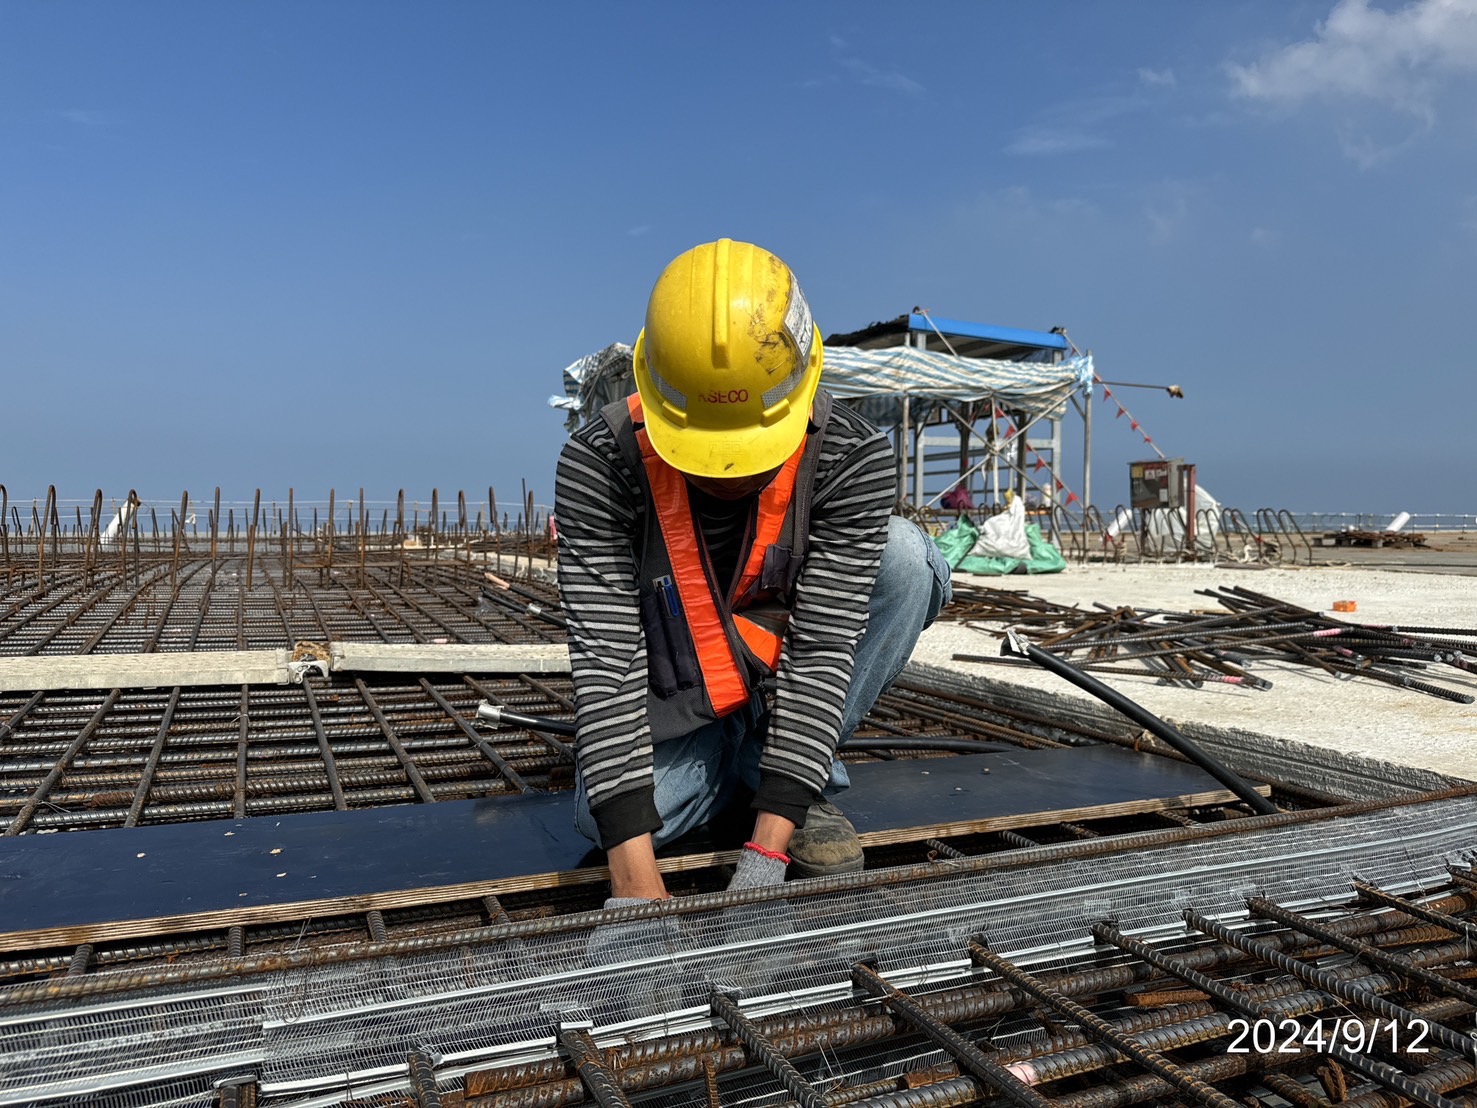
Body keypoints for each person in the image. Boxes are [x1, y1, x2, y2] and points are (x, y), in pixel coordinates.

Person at [554, 239, 952, 911]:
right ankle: (754, 762)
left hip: (784, 673)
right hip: (681, 689)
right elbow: (606, 658)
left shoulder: (849, 457)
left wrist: (766, 855)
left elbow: (824, 649)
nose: (727, 473)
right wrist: (632, 884)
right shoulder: (600, 462)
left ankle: (785, 772)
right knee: (606, 821)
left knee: (905, 560)